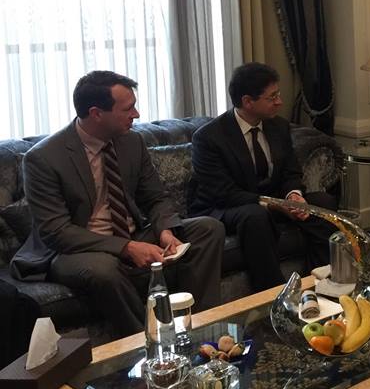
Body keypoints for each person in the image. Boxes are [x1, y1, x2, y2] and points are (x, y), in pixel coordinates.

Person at [10, 71, 224, 339]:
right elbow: (57, 232)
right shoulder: (43, 158)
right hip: (75, 249)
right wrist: (127, 247)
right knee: (104, 270)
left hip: (132, 233)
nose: (136, 114)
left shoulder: (132, 141)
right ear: (96, 113)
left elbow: (155, 197)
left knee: (208, 229)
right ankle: (146, 343)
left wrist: (165, 230)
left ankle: (201, 329)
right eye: (128, 108)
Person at [189, 62, 333, 292]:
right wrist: (276, 205)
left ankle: (318, 283)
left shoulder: (278, 126)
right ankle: (273, 294)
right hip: (225, 206)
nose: (280, 102)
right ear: (248, 101)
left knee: (322, 203)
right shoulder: (209, 138)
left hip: (271, 201)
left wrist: (293, 195)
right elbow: (224, 192)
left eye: (278, 94)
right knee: (255, 216)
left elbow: (291, 172)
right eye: (272, 97)